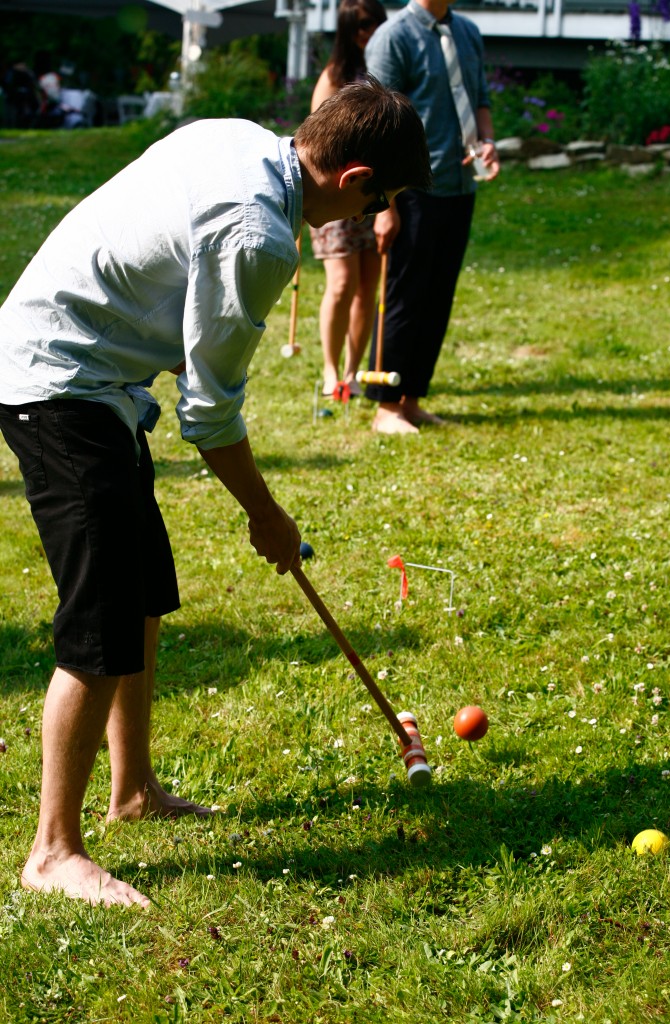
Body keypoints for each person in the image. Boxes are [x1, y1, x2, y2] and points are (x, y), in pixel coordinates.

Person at [0, 78, 431, 908]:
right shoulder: (260, 235)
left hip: (94, 375)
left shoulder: (234, 136)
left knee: (142, 594)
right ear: (353, 180)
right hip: (57, 380)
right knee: (98, 624)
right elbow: (209, 411)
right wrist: (267, 515)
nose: (369, 211)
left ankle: (132, 790)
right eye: (378, 194)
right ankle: (52, 850)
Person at [364, 0, 500, 433]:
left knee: (438, 296)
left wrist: (488, 141)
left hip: (460, 186)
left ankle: (413, 398)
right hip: (412, 191)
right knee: (405, 295)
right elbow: (377, 125)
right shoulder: (394, 37)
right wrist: (385, 206)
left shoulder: (468, 32)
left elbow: (479, 98)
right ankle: (386, 406)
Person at [309, 0, 387, 398]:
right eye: (361, 25)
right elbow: (317, 145)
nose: (369, 31)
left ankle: (354, 373)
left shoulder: (383, 74)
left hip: (373, 194)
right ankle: (329, 370)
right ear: (347, 30)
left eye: (376, 23)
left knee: (367, 286)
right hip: (337, 195)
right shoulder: (333, 78)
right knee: (341, 284)